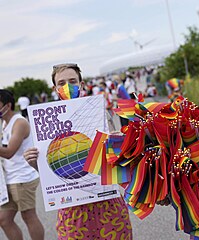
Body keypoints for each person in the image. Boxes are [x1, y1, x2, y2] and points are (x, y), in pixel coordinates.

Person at [23, 64, 132, 240]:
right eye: (61, 82)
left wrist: (119, 144)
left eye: (72, 81)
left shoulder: (100, 114)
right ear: (55, 88)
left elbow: (118, 163)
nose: (67, 86)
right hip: (72, 211)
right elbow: (52, 172)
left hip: (107, 204)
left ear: (81, 84)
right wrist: (36, 164)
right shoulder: (44, 122)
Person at [0, 90, 44, 240]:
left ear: (7, 105)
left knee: (28, 216)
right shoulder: (4, 122)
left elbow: (9, 152)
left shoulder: (19, 122)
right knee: (4, 219)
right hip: (9, 178)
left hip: (23, 177)